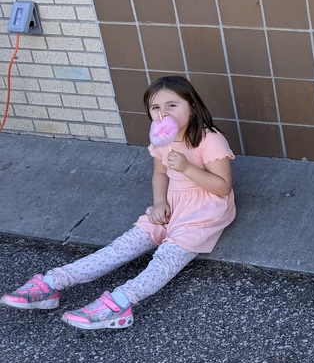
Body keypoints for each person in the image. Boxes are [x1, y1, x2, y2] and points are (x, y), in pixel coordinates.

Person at [1, 76, 235, 329]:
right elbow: (160, 173)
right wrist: (158, 203)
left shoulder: (209, 139)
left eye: (172, 105)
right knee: (122, 247)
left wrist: (187, 167)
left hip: (203, 209)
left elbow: (222, 187)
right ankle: (53, 283)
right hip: (171, 203)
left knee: (166, 257)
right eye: (156, 108)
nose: (163, 113)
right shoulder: (161, 140)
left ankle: (120, 302)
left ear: (192, 105)